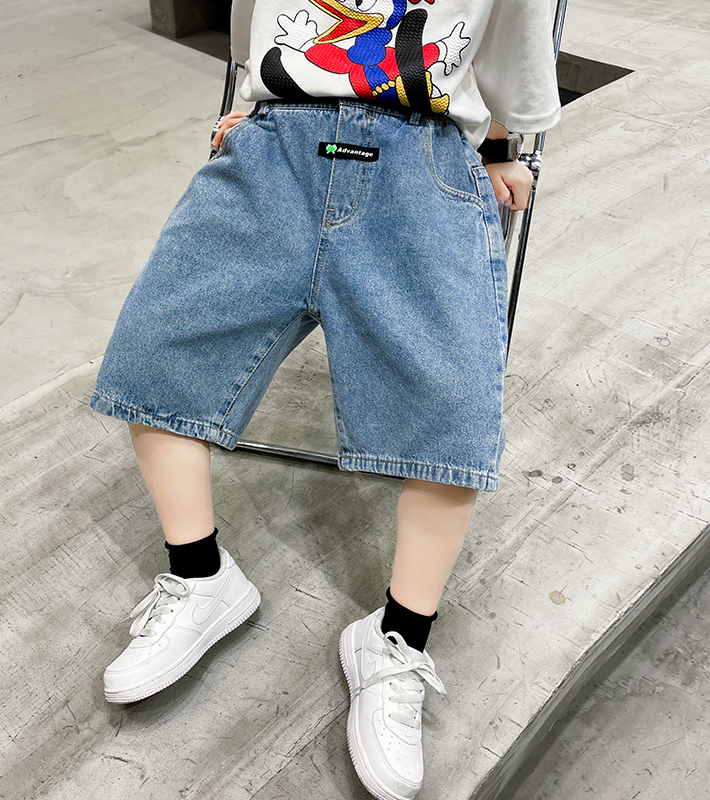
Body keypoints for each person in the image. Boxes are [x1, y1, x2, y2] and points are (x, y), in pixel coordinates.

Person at [89, 1, 560, 797]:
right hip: (275, 143)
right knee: (153, 349)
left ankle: (398, 638)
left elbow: (515, 37)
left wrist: (502, 145)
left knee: (452, 413)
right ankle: (201, 576)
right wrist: (253, 94)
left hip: (423, 159)